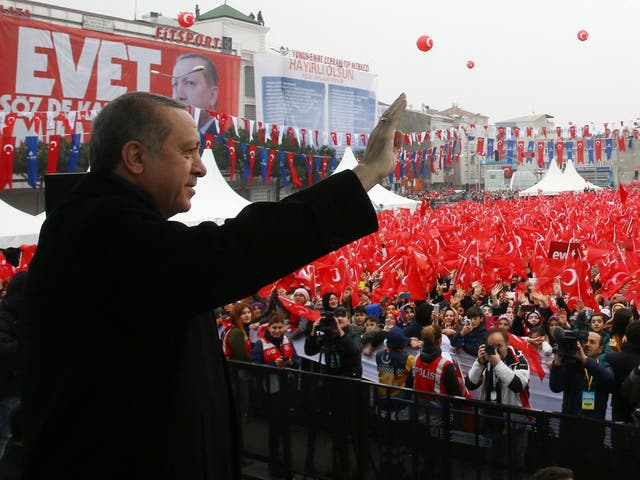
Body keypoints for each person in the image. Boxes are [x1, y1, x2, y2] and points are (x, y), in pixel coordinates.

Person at [22, 90, 407, 480]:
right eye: (188, 152)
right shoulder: (99, 230)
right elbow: (233, 250)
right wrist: (364, 175)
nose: (201, 169)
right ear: (136, 156)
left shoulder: (111, 223)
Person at [465, 327, 531, 475]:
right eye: (492, 346)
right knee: (493, 462)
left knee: (515, 463)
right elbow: (470, 383)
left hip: (514, 419)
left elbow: (517, 385)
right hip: (490, 418)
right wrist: (480, 362)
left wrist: (497, 363)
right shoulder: (487, 358)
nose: (495, 350)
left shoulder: (519, 359)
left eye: (499, 346)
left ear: (507, 345)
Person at [0, 271, 26, 458]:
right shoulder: (4, 317)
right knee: (3, 436)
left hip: (13, 388)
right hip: (6, 388)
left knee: (6, 436)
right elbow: (4, 353)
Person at [172, 53, 220, 136]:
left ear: (212, 95)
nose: (179, 95)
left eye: (189, 83)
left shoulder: (224, 145)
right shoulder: (169, 140)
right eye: (175, 84)